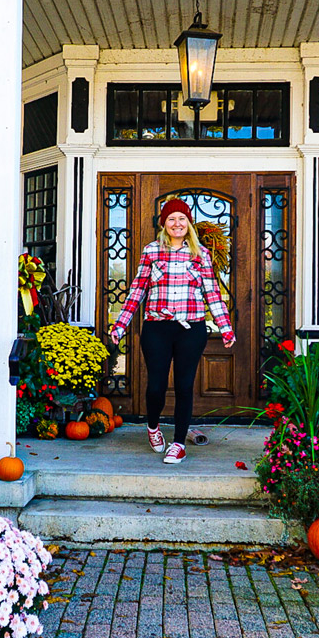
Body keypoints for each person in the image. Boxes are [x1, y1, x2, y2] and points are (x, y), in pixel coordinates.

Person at [109, 198, 235, 464]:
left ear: (188, 223)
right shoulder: (151, 251)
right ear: (164, 224)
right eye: (171, 219)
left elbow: (212, 293)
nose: (177, 224)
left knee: (184, 385)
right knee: (156, 386)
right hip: (157, 328)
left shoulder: (201, 254)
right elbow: (137, 290)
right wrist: (121, 324)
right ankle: (153, 427)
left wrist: (225, 328)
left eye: (181, 219)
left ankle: (178, 443)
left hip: (192, 328)